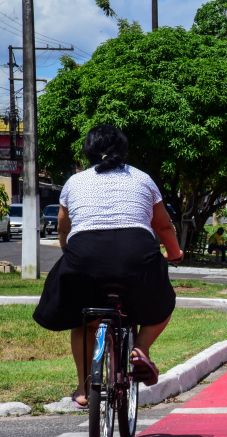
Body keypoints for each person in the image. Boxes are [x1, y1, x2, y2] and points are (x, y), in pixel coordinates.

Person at [33, 125, 183, 408]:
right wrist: (174, 253)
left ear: (88, 150)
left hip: (85, 257)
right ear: (123, 150)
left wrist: (72, 253)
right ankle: (141, 349)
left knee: (82, 321)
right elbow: (163, 225)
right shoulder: (142, 179)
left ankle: (82, 387)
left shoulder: (74, 183)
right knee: (164, 303)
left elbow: (64, 228)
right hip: (136, 255)